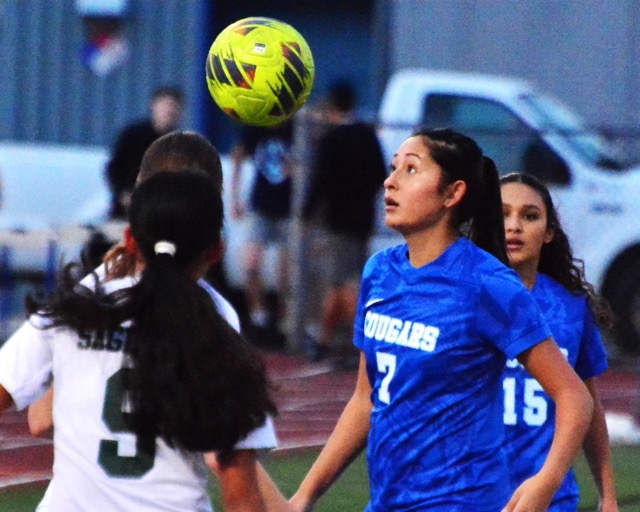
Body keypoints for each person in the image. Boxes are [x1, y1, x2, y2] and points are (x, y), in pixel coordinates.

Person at [289, 128, 594, 512]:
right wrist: (306, 494)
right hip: (387, 501)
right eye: (393, 167)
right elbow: (366, 399)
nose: (391, 181)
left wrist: (545, 482)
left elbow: (574, 396)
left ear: (453, 193)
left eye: (411, 170)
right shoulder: (379, 272)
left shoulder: (487, 283)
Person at [0, 171, 279, 511]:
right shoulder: (218, 333)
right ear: (217, 250)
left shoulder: (75, 312)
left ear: (129, 240)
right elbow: (241, 496)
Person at [500, 172, 618, 511]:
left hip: (551, 498)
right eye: (502, 214)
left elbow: (587, 403)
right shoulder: (461, 300)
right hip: (472, 494)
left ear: (549, 232)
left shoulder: (569, 306)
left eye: (530, 216)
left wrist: (607, 496)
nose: (514, 226)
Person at [301, 81, 386, 366]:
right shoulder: (367, 135)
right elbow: (379, 175)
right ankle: (322, 340)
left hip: (337, 220)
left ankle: (361, 344)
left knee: (344, 282)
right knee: (343, 280)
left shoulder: (332, 140)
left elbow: (320, 180)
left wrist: (307, 213)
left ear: (332, 107)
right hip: (362, 219)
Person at [230, 120, 294, 347]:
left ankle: (284, 322)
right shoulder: (258, 127)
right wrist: (235, 196)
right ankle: (258, 317)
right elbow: (238, 155)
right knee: (251, 263)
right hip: (261, 206)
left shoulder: (295, 128)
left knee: (286, 272)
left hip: (288, 208)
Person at [105, 86, 184, 219]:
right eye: (165, 106)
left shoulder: (183, 144)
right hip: (127, 211)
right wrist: (123, 193)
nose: (169, 111)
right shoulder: (133, 135)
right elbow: (114, 168)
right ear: (153, 106)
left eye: (174, 107)